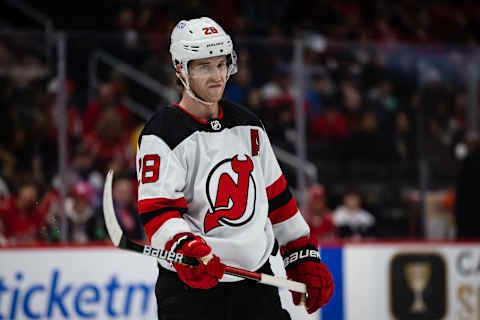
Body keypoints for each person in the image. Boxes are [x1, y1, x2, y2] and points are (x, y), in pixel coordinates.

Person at [135, 17, 334, 320]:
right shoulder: (162, 133)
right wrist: (186, 249)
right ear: (181, 69)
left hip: (256, 286)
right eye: (203, 66)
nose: (217, 76)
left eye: (220, 64)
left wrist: (301, 253)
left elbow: (278, 199)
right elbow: (158, 211)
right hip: (191, 293)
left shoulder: (248, 125)